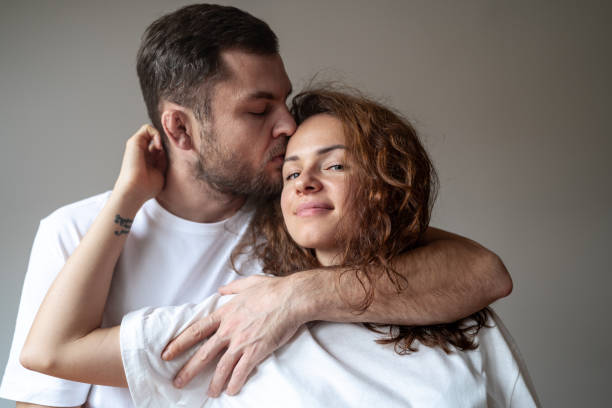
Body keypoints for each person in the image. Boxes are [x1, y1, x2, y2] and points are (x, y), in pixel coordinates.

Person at [0, 4, 512, 407]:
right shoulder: (75, 231)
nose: (288, 125)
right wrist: (126, 202)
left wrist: (297, 296)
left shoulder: (299, 219)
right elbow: (47, 373)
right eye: (259, 109)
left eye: (285, 102)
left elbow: (483, 273)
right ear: (179, 128)